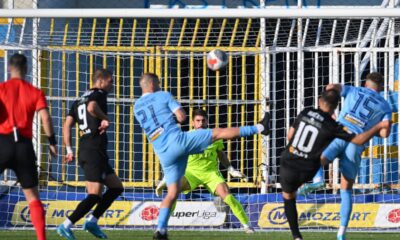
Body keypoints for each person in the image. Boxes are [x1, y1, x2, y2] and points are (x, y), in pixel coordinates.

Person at [134, 73, 269, 240]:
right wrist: (174, 120)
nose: (161, 86)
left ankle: (160, 230)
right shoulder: (163, 95)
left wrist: (231, 169)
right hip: (180, 145)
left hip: (163, 152)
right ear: (154, 84)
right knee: (219, 132)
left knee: (172, 193)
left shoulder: (136, 106)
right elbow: (181, 117)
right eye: (159, 84)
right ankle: (260, 127)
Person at [280, 89, 389, 240]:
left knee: (289, 197)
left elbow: (290, 136)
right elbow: (369, 138)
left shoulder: (306, 112)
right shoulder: (334, 126)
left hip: (290, 163)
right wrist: (376, 126)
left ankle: (297, 235)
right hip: (321, 160)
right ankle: (341, 234)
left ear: (319, 100)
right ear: (336, 106)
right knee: (346, 189)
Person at [155, 109, 253, 233]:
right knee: (174, 192)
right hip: (191, 173)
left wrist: (231, 169)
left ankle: (247, 226)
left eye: (203, 120)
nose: (200, 123)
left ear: (207, 122)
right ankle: (162, 227)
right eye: (198, 121)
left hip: (211, 173)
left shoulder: (214, 136)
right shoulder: (186, 137)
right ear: (192, 123)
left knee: (227, 195)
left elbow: (221, 155)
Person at [57, 69, 124, 240]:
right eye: (111, 81)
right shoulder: (99, 94)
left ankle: (92, 221)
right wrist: (105, 118)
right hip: (93, 150)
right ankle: (66, 225)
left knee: (116, 187)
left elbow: (66, 125)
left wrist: (69, 150)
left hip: (88, 150)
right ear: (100, 81)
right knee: (94, 194)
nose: (112, 85)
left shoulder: (78, 99)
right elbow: (92, 107)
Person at [0, 53, 57, 240]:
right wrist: (52, 142)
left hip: (3, 142)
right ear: (27, 69)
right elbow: (46, 118)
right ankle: (41, 238)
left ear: (9, 68)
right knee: (32, 196)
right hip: (24, 146)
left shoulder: (2, 89)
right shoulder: (35, 92)